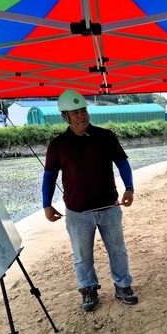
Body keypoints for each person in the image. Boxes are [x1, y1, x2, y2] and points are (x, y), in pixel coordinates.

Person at [42, 89, 138, 312]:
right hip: (77, 211)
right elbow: (49, 176)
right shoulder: (57, 144)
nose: (81, 116)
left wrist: (130, 188)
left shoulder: (106, 136)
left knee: (118, 249)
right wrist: (46, 204)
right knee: (82, 256)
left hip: (109, 207)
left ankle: (123, 285)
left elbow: (122, 163)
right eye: (75, 113)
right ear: (65, 116)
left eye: (83, 111)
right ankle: (88, 289)